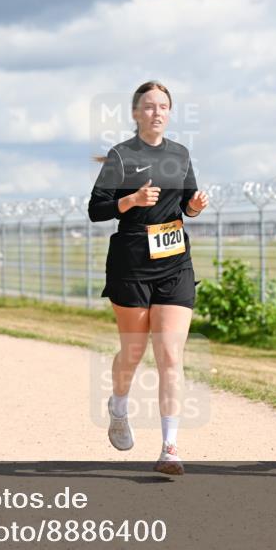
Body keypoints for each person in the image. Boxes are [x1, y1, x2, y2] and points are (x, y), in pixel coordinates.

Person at [89, 81, 209, 475]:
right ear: (136, 113)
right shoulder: (121, 156)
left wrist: (193, 206)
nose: (156, 112)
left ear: (170, 113)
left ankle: (170, 447)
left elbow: (188, 205)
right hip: (131, 262)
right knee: (134, 350)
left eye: (163, 106)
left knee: (171, 355)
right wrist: (132, 201)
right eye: (149, 106)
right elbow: (96, 209)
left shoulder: (180, 153)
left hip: (174, 260)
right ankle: (119, 405)